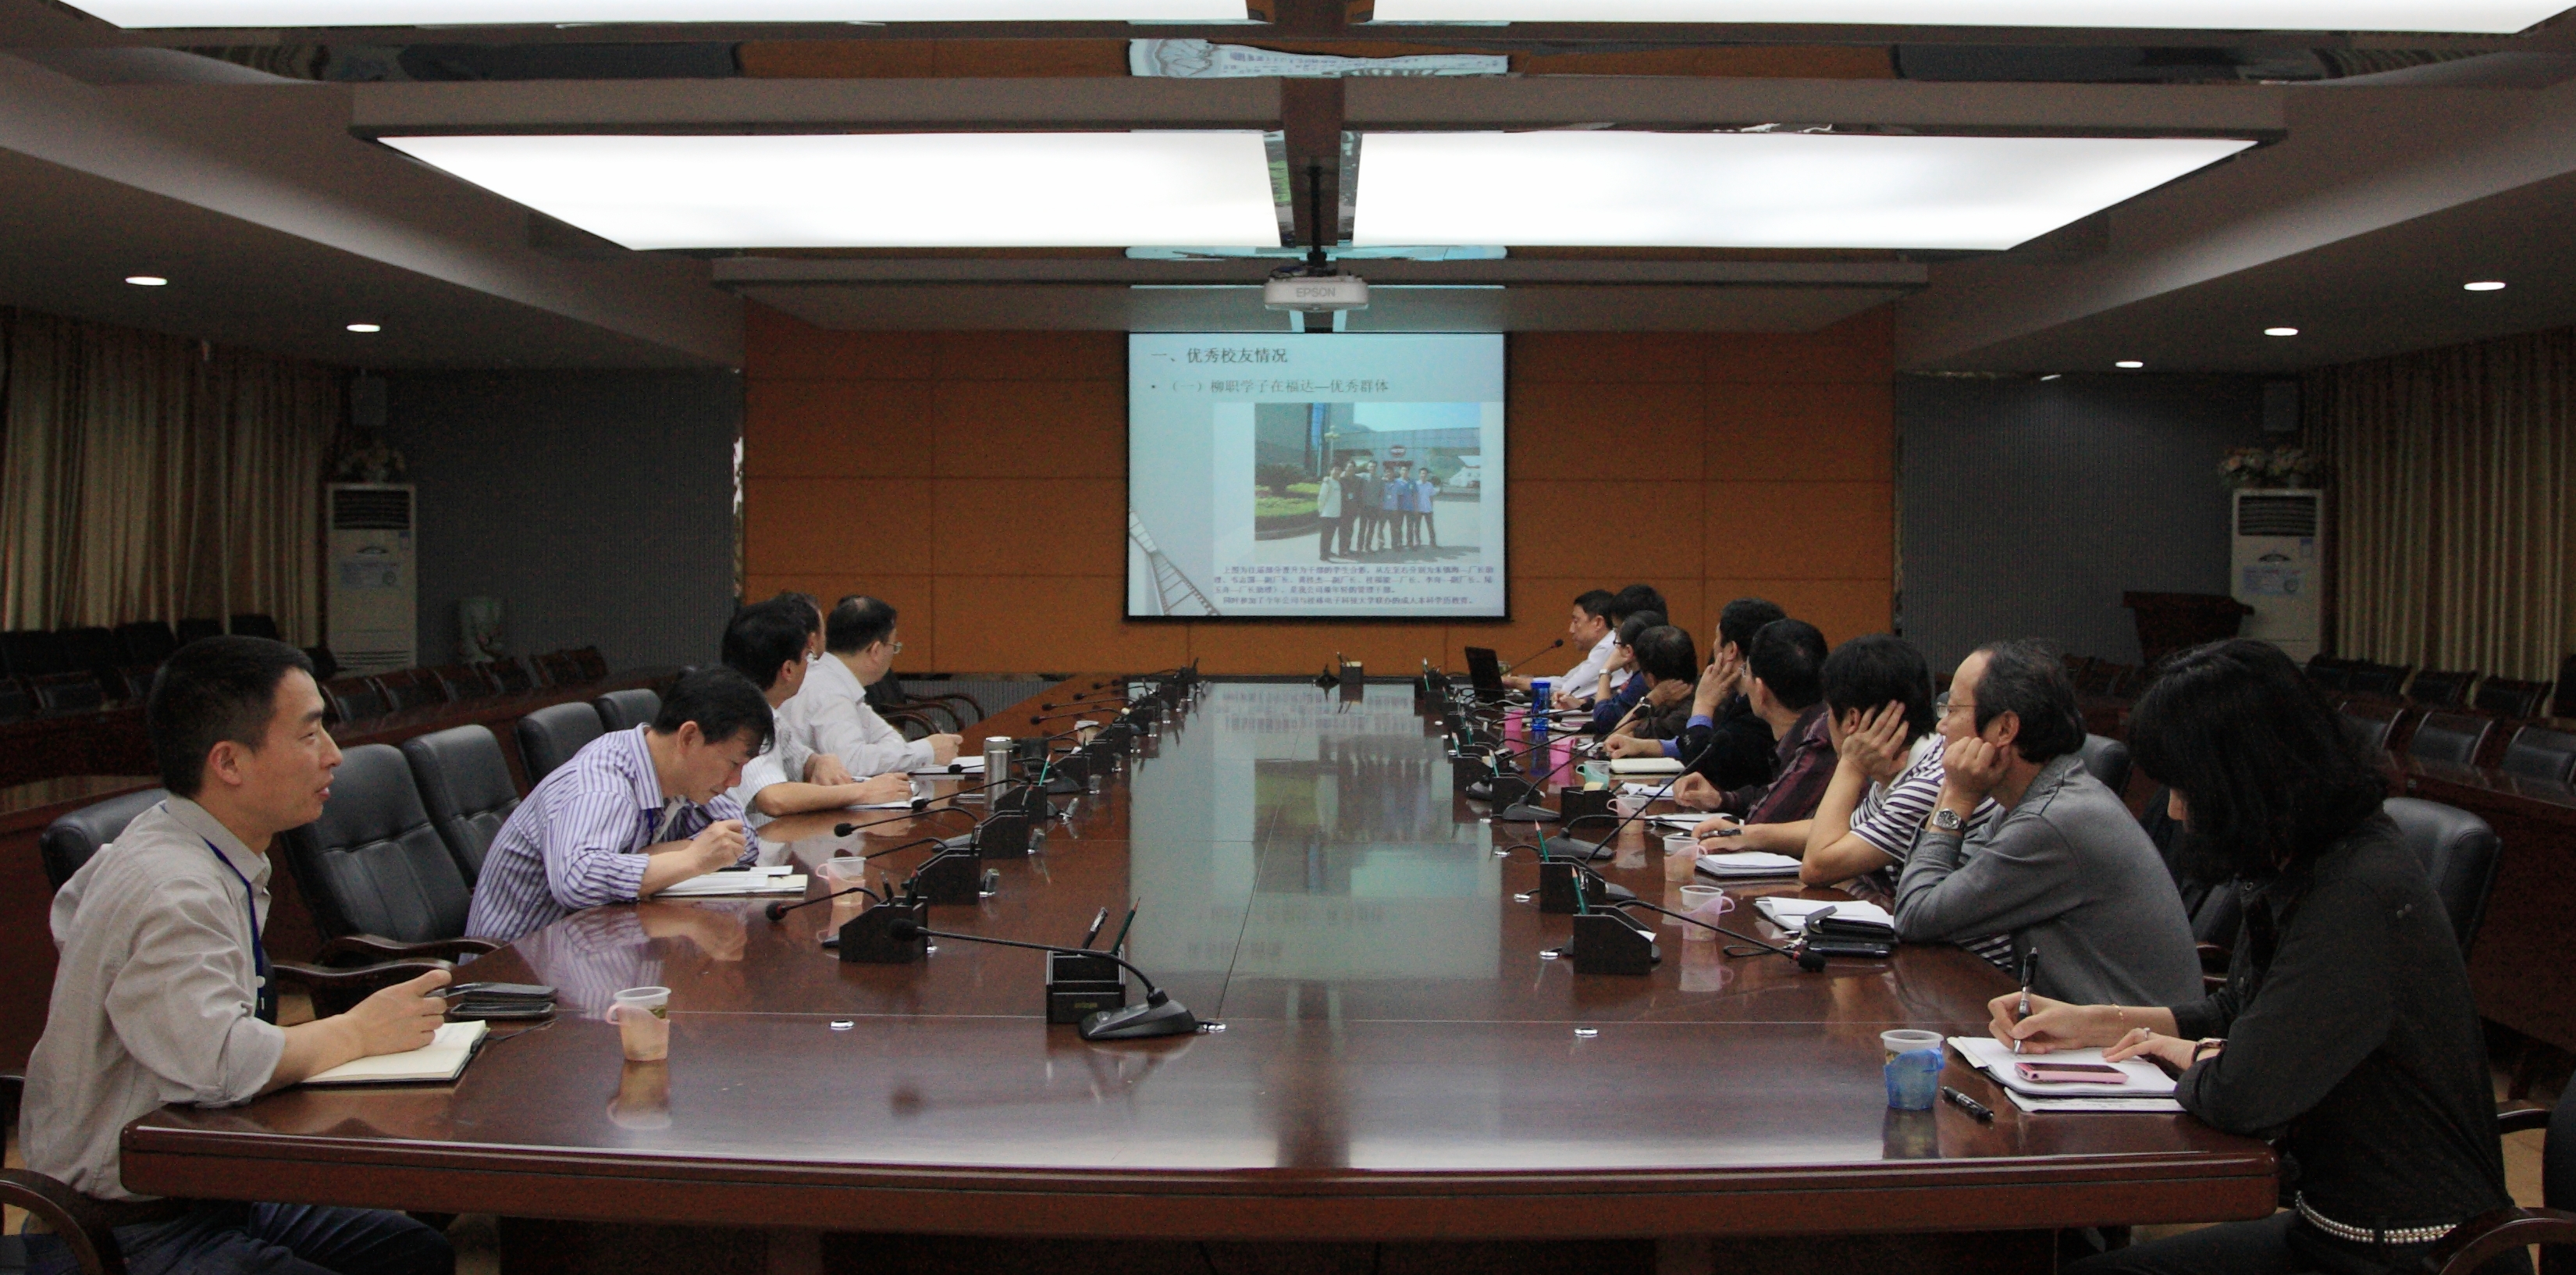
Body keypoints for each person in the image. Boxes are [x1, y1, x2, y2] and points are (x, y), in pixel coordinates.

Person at [2001, 639, 2521, 1275]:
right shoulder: (2300, 860)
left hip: (2421, 1255)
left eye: (2186, 787)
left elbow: (2241, 1095)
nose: (2175, 809)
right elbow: (2239, 1008)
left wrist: (2202, 1056)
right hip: (2332, 1231)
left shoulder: (2359, 891)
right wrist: (2100, 1022)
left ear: (2242, 779)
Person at [18, 636, 455, 1275]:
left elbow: (71, 915)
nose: (333, 755)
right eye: (309, 734)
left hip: (213, 1178)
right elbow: (219, 1065)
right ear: (228, 762)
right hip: (126, 1224)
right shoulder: (173, 885)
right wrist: (357, 1031)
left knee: (415, 1251)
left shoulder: (185, 839)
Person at [1891, 639, 2201, 1002]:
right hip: (2086, 1025)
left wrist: (1957, 800)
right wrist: (1952, 797)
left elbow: (1916, 916)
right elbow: (1929, 889)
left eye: (1953, 709)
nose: (1941, 725)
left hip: (2129, 1036)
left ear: (2004, 729)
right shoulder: (2034, 800)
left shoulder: (2050, 822)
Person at [464, 668, 770, 944]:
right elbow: (578, 880)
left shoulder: (682, 777)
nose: (735, 781)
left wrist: (662, 856)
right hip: (515, 968)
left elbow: (740, 841)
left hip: (594, 945)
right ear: (689, 737)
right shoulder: (602, 784)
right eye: (733, 763)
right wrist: (692, 858)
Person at [1795, 634, 2001, 892]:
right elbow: (1844, 832)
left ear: (1852, 719)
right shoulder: (1912, 764)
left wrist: (1851, 765)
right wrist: (1752, 835)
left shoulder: (1929, 782)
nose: (1942, 725)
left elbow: (1816, 867)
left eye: (1952, 709)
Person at [719, 600, 912, 820]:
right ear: (788, 670)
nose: (811, 666)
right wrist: (863, 792)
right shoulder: (741, 715)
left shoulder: (769, 713)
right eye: (807, 657)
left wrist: (821, 761)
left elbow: (801, 758)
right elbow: (774, 798)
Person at [1624, 597, 1785, 796]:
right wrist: (1646, 747)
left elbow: (1703, 768)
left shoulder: (1758, 709)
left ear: (1731, 650)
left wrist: (1703, 705)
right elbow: (1710, 744)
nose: (1714, 646)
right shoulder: (1735, 696)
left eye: (1717, 639)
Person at [1680, 619, 1834, 827]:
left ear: (1761, 691)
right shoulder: (1813, 725)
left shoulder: (1818, 742)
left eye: (1746, 672)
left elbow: (1763, 819)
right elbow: (1774, 792)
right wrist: (1720, 799)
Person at [806, 595, 962, 777]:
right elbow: (850, 763)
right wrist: (926, 749)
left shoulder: (838, 681)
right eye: (894, 646)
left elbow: (891, 739)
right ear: (876, 651)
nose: (894, 653)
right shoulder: (830, 691)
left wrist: (904, 753)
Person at [1502, 589, 1620, 706]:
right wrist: (1517, 682)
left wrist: (1520, 683)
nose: (1571, 630)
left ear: (1598, 622)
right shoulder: (1607, 645)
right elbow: (1566, 681)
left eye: (1576, 621)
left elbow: (1567, 690)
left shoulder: (1609, 646)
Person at [1598, 624, 1697, 744]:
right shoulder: (1696, 694)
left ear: (1651, 679)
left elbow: (1613, 741)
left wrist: (1653, 698)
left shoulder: (1676, 717)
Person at [1586, 611, 1663, 736]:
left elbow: (1604, 720)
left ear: (1628, 651)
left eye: (1617, 643)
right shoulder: (1644, 675)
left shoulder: (1644, 680)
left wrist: (1606, 671)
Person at [1315, 459, 1345, 561]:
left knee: (1331, 536)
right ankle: (1323, 555)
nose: (1337, 471)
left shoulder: (1338, 482)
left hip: (1336, 514)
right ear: (1330, 470)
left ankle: (1327, 552)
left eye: (1339, 470)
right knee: (1325, 536)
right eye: (1335, 469)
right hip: (1327, 514)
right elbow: (1322, 497)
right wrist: (1321, 511)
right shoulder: (1327, 482)